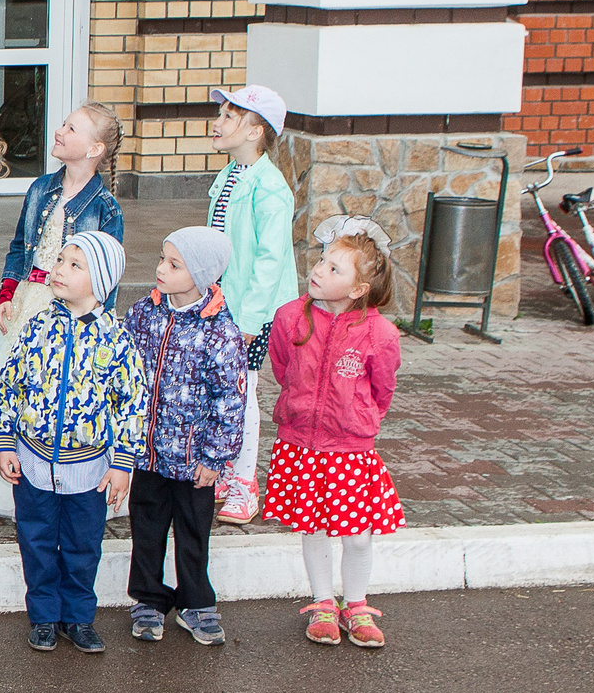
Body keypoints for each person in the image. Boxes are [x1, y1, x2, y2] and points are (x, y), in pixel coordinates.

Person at [0, 104, 127, 517]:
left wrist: (98, 323)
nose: (60, 130)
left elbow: (108, 273)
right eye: (63, 124)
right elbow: (20, 247)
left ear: (94, 149)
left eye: (72, 128)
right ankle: (7, 480)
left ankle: (62, 476)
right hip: (30, 300)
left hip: (72, 310)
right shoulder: (40, 189)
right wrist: (7, 294)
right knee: (15, 381)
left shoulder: (106, 207)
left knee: (58, 385)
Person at [0, 231, 147, 655]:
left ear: (102, 282)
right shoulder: (37, 327)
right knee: (36, 542)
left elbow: (132, 403)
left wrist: (122, 463)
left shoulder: (116, 338)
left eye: (74, 265)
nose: (59, 269)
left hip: (89, 470)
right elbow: (10, 385)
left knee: (83, 546)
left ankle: (78, 617)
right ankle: (44, 616)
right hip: (34, 463)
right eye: (60, 260)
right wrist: (5, 442)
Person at [266, 216, 405, 649]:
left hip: (349, 450)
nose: (318, 270)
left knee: (357, 535)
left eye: (333, 268)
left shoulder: (380, 333)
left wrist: (355, 419)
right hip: (301, 445)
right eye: (321, 261)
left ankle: (357, 605)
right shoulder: (290, 317)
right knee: (313, 529)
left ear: (358, 289)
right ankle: (323, 603)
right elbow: (283, 368)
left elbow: (382, 390)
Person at [120, 228, 247, 646]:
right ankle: (148, 599)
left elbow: (231, 400)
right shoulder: (144, 313)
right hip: (148, 455)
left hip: (195, 462)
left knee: (193, 531)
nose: (161, 268)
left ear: (202, 274)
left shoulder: (220, 333)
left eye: (174, 264)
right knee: (147, 526)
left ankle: (196, 603)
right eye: (162, 258)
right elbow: (124, 371)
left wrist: (215, 458)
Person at [204, 83, 299, 524]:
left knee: (242, 393)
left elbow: (270, 260)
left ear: (256, 132)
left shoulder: (271, 189)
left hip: (251, 313)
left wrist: (248, 320)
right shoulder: (230, 176)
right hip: (223, 303)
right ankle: (226, 471)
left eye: (229, 116)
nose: (217, 122)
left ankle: (245, 482)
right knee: (221, 390)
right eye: (220, 114)